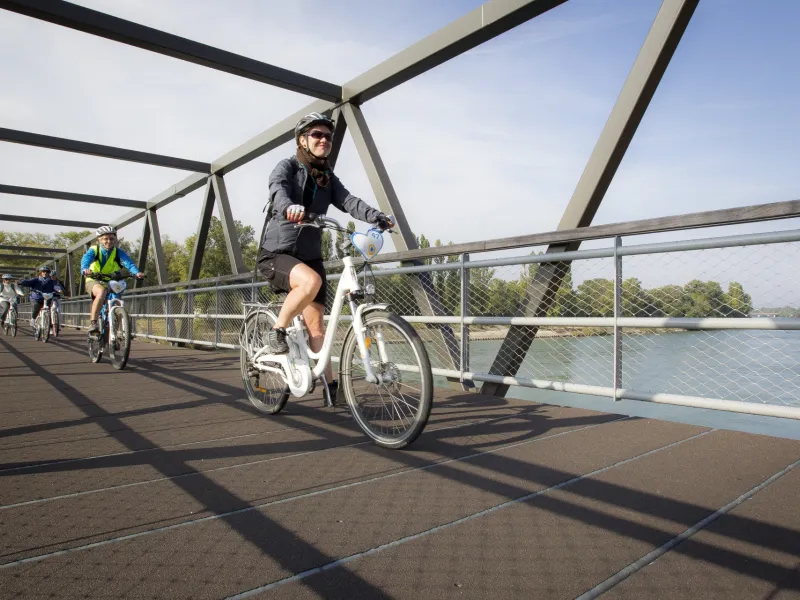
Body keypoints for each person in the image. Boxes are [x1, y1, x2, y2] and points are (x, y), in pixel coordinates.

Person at [258, 111, 396, 395]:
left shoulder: (327, 178)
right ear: (302, 140)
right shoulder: (287, 167)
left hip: (310, 255)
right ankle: (277, 331)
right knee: (311, 281)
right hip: (277, 253)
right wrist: (288, 207)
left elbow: (348, 201)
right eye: (317, 135)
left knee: (317, 327)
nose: (324, 140)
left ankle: (330, 387)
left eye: (328, 136)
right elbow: (278, 190)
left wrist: (376, 216)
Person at [80, 225, 144, 334]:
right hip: (94, 279)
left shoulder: (118, 252)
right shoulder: (94, 250)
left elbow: (128, 263)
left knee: (117, 302)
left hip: (111, 281)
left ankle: (114, 333)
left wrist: (137, 273)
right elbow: (86, 260)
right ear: (99, 239)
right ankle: (93, 323)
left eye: (112, 238)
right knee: (101, 292)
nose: (109, 241)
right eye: (105, 239)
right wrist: (85, 269)